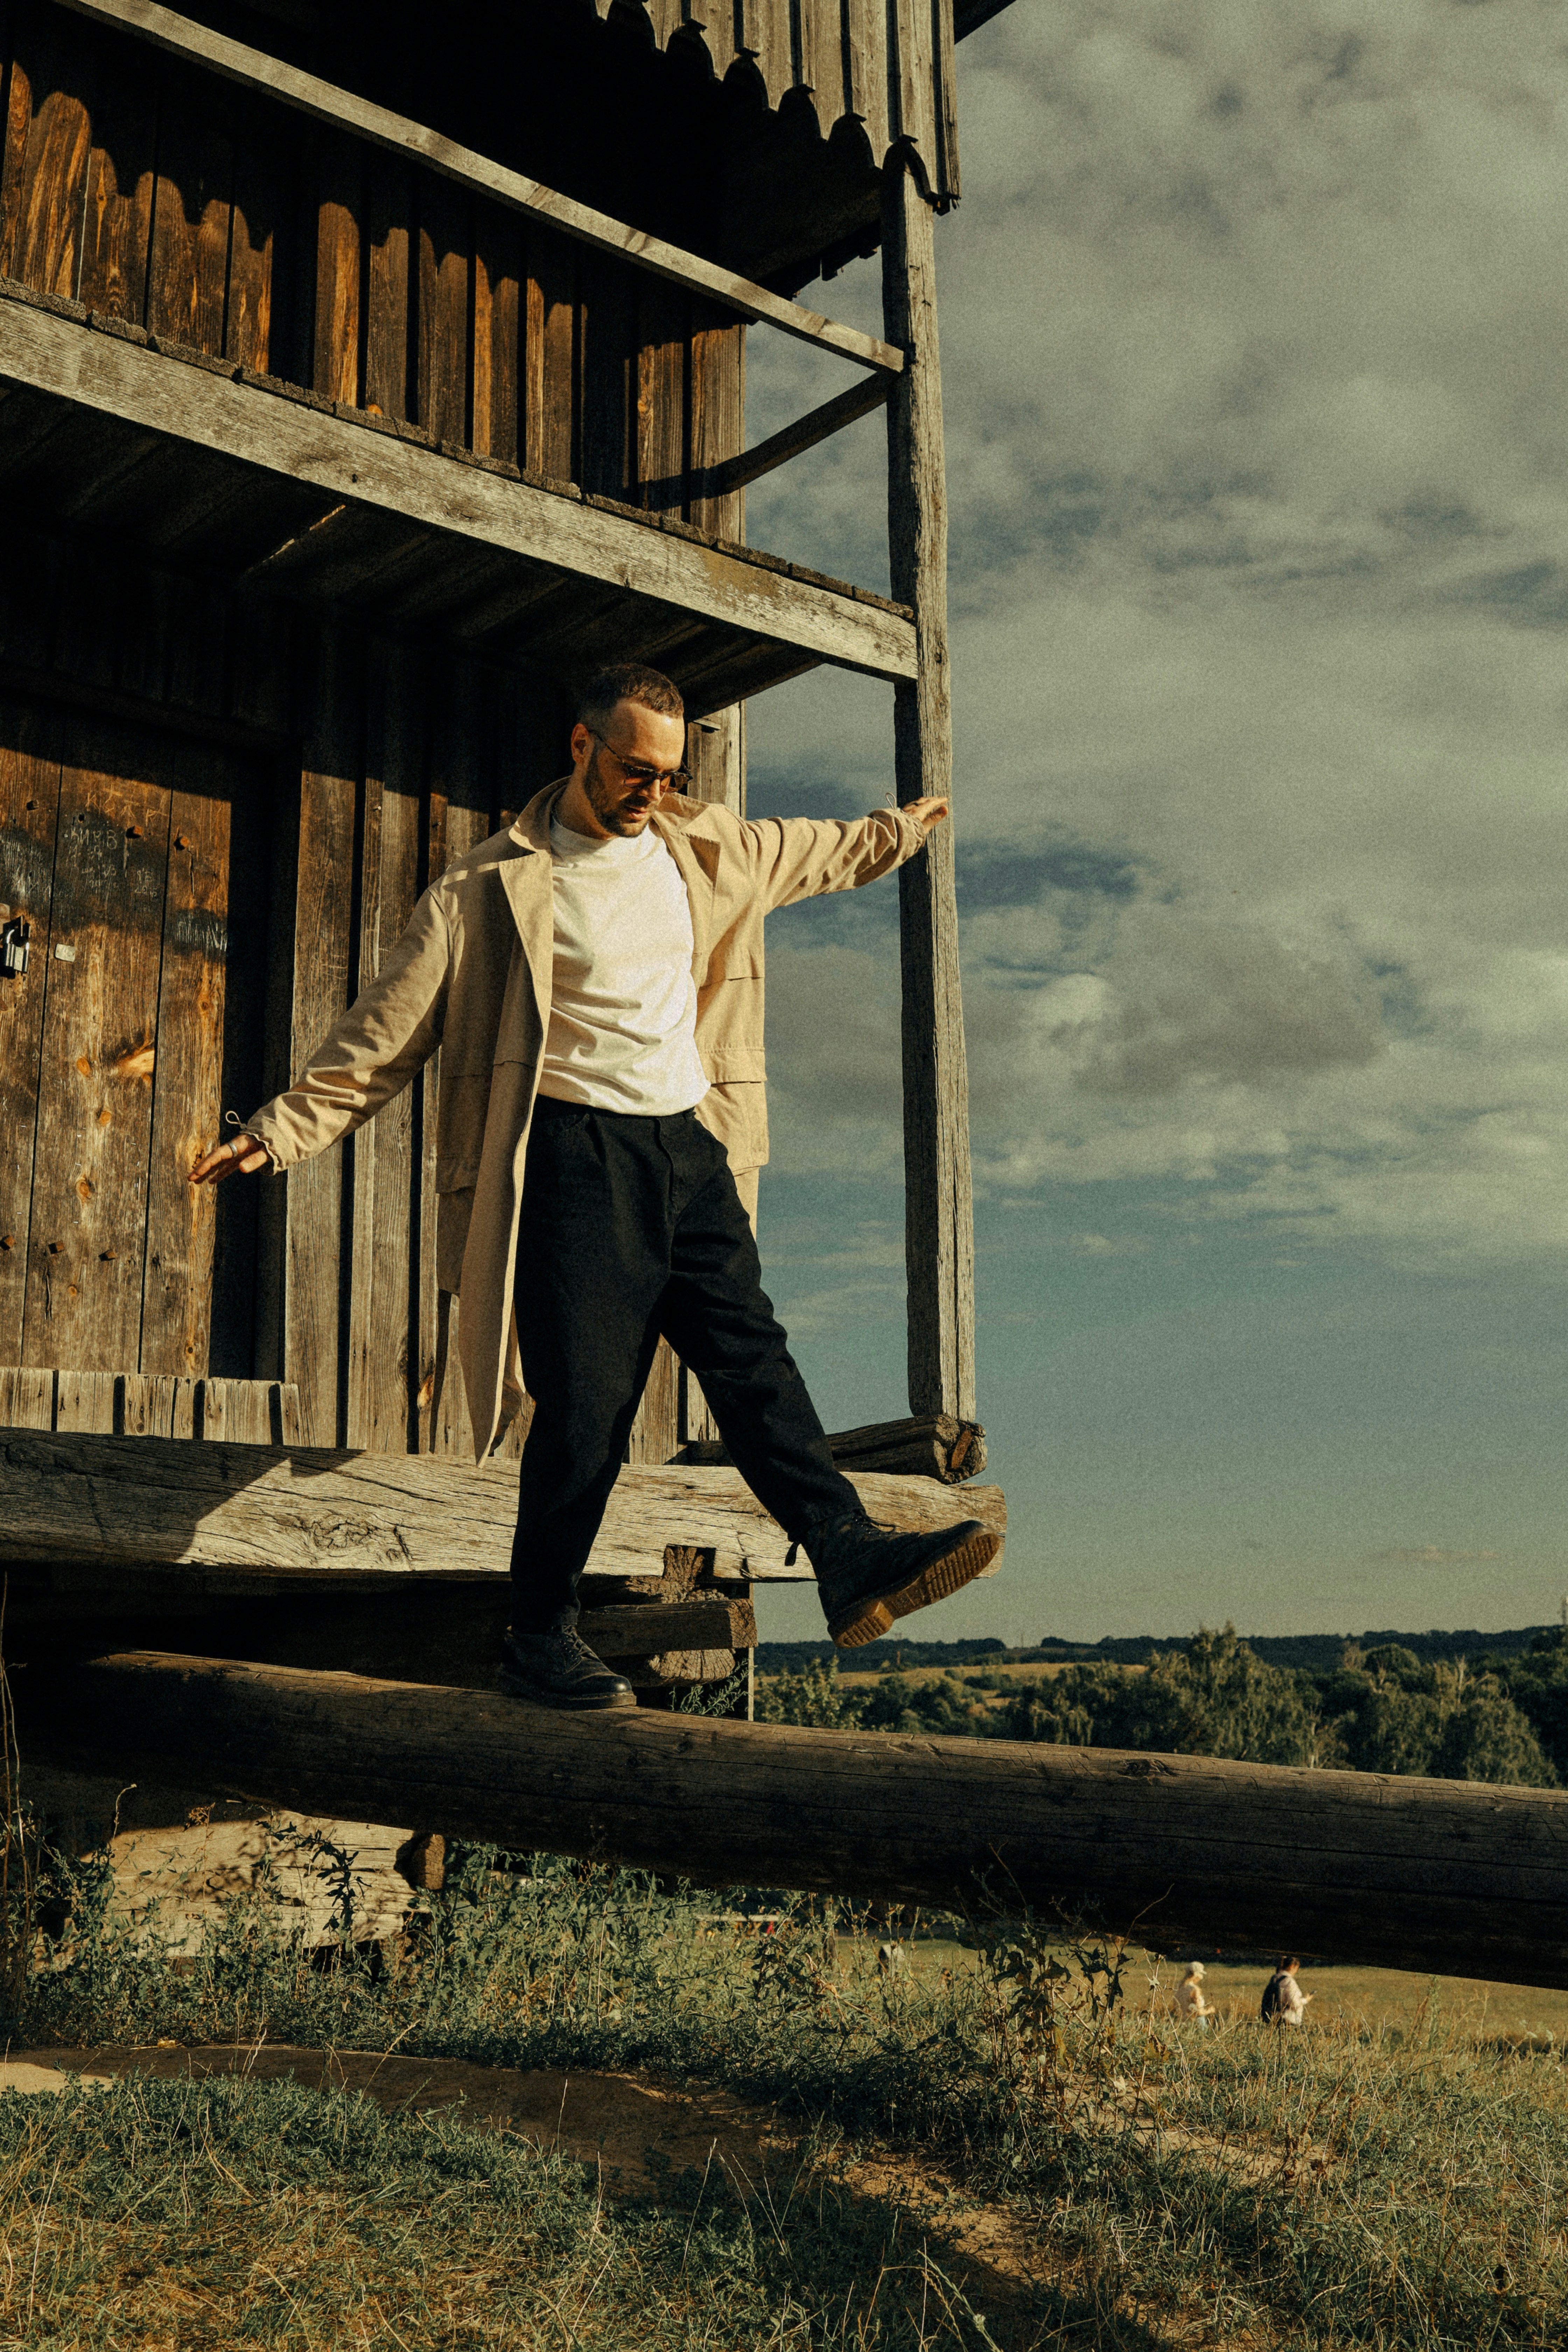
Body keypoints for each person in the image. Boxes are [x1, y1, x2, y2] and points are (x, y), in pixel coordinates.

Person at [191, 664, 1000, 1711]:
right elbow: (386, 1034)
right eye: (631, 769)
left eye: (669, 772)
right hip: (574, 1162)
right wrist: (280, 1129)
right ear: (579, 748)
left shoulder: (701, 847)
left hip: (687, 1149)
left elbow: (818, 851)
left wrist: (902, 826)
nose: (650, 791)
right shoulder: (489, 886)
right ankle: (538, 1632)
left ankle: (845, 1554)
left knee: (752, 1362)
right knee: (589, 1408)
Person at [1261, 1955, 1312, 2026]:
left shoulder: (1275, 1978)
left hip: (1274, 2017)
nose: (1297, 1971)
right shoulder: (1289, 1982)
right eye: (1297, 1968)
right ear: (1292, 1966)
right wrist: (1306, 2000)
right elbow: (1294, 2003)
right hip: (1288, 2020)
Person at [1173, 1960, 1212, 2026]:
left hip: (1182, 2023)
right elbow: (1199, 2012)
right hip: (1197, 2024)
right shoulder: (1195, 1989)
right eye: (1201, 1974)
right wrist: (1210, 2010)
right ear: (1196, 1975)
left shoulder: (1179, 1986)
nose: (1201, 1977)